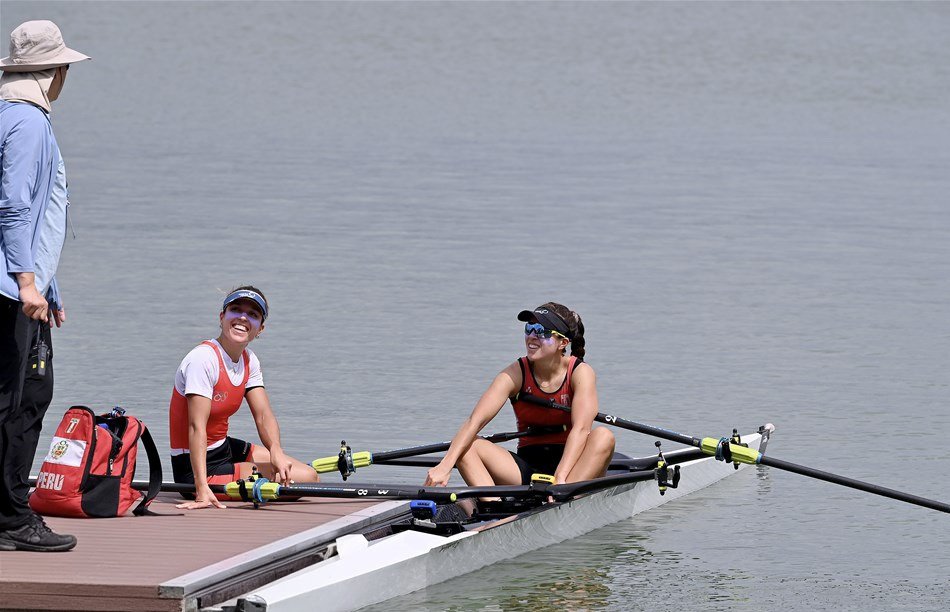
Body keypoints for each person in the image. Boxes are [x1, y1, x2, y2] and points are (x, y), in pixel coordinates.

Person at [0, 20, 90, 552]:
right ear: (53, 73)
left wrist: (46, 287)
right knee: (24, 400)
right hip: (12, 287)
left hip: (21, 282)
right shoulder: (30, 124)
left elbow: (35, 215)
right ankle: (13, 519)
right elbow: (13, 205)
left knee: (16, 396)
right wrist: (28, 281)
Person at [425, 302, 615, 490]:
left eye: (541, 331)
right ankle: (493, 506)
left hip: (572, 466)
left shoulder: (580, 373)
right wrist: (445, 465)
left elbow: (581, 429)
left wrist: (559, 479)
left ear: (563, 343)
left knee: (603, 436)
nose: (532, 337)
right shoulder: (516, 373)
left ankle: (566, 496)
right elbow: (474, 421)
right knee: (467, 444)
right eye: (529, 328)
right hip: (527, 467)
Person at [169, 286, 319, 510]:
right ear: (222, 317)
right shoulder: (203, 359)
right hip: (194, 466)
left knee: (308, 474)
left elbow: (263, 415)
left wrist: (275, 450)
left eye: (253, 314)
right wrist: (200, 488)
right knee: (304, 481)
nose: (242, 317)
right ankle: (206, 484)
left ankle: (247, 469)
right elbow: (195, 427)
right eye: (235, 310)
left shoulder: (249, 360)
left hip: (224, 447)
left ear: (260, 329)